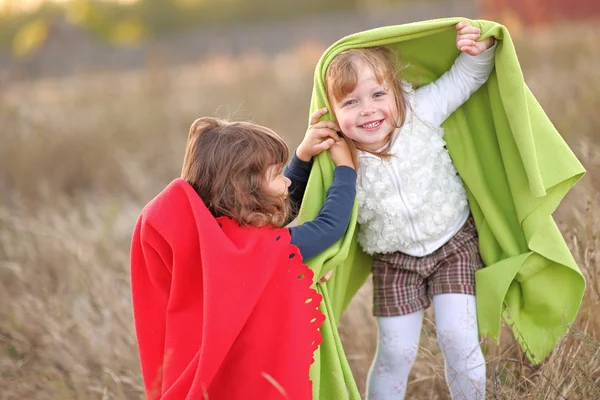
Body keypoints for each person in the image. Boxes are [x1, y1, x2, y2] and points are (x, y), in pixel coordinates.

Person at [324, 21, 496, 399]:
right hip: (394, 261)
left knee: (458, 338)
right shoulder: (340, 156)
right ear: (331, 110)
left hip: (453, 244)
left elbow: (465, 79)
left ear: (396, 92)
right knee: (395, 352)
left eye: (377, 94)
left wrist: (476, 51)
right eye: (350, 102)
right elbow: (317, 210)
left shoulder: (421, 112)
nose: (367, 111)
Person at [130, 111, 355, 399]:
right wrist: (346, 171)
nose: (286, 182)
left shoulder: (215, 240)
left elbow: (279, 212)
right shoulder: (252, 249)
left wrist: (303, 156)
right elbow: (328, 228)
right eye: (277, 174)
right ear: (246, 191)